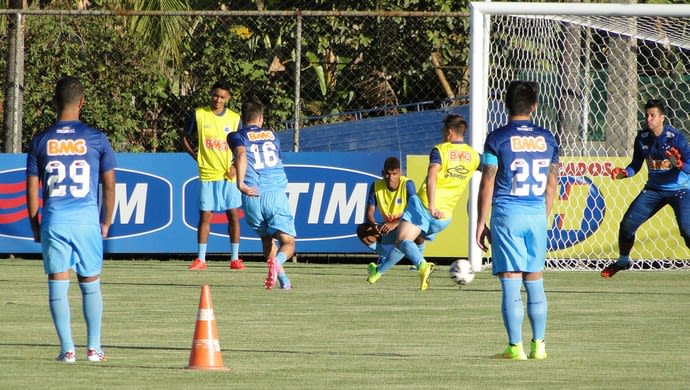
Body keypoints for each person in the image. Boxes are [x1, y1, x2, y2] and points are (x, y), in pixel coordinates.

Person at [26, 76, 116, 363]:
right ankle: (94, 348)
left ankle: (67, 350)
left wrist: (36, 226)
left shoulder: (40, 140)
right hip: (86, 219)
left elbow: (31, 189)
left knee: (58, 284)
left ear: (54, 102)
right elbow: (110, 185)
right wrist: (106, 222)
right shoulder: (97, 138)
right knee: (90, 283)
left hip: (55, 219)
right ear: (82, 103)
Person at [475, 80, 559, 360]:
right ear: (533, 107)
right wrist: (542, 215)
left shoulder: (497, 138)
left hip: (507, 214)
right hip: (536, 213)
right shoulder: (548, 138)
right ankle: (540, 346)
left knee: (511, 280)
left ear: (506, 105)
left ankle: (515, 348)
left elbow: (487, 181)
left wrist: (480, 222)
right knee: (535, 280)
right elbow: (552, 182)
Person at [367, 114, 480, 291]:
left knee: (402, 241)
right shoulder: (474, 156)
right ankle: (377, 272)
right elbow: (492, 169)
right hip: (444, 217)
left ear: (449, 132)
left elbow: (432, 178)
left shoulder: (440, 150)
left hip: (424, 206)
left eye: (444, 130)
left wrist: (432, 206)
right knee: (404, 242)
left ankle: (422, 265)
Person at [603, 99, 690, 278]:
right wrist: (625, 172)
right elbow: (636, 164)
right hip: (654, 190)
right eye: (647, 115)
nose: (648, 119)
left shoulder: (676, 138)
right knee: (627, 225)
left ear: (662, 118)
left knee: (687, 229)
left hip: (680, 190)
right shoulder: (642, 138)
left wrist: (681, 164)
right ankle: (623, 261)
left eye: (653, 115)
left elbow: (689, 163)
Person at [227, 99, 295, 290]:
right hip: (274, 194)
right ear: (261, 118)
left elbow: (241, 155)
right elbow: (245, 156)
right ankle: (278, 262)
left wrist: (240, 183)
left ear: (243, 118)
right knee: (288, 243)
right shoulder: (273, 135)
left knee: (266, 239)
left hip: (252, 197)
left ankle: (284, 281)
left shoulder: (235, 135)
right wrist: (240, 182)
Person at [181, 80, 245, 271]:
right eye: (215, 95)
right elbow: (184, 136)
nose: (218, 99)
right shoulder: (199, 114)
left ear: (228, 99)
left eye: (222, 97)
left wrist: (235, 165)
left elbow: (243, 146)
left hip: (228, 175)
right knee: (205, 215)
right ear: (211, 94)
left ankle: (234, 259)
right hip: (208, 174)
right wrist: (195, 156)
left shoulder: (234, 118)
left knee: (233, 215)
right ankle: (201, 259)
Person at [356, 156, 425, 267]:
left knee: (419, 227)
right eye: (388, 174)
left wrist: (394, 224)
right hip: (388, 230)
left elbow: (415, 211)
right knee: (362, 230)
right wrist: (375, 226)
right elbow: (369, 214)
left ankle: (419, 261)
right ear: (383, 173)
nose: (390, 178)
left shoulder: (408, 184)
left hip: (404, 227)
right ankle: (384, 256)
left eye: (394, 174)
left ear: (400, 173)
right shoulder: (376, 186)